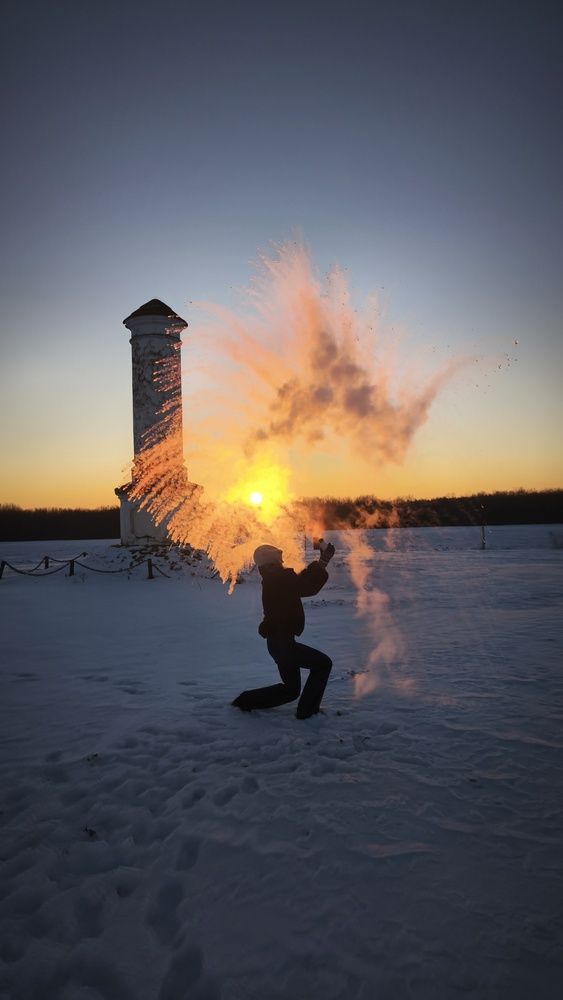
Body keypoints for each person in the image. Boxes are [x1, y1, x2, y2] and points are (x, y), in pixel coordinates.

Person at [232, 539, 335, 719]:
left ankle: (244, 701)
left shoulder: (273, 579)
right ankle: (307, 712)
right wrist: (323, 562)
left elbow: (299, 582)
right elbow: (307, 586)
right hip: (284, 646)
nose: (282, 562)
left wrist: (320, 563)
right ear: (271, 563)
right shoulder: (278, 578)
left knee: (291, 691)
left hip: (278, 644)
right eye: (278, 559)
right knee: (323, 664)